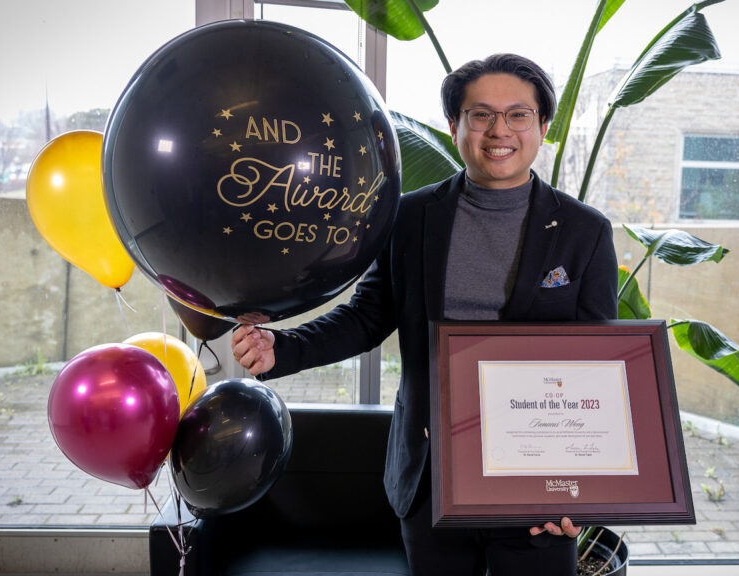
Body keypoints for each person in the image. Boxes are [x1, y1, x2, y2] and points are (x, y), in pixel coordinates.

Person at [232, 53, 619, 576]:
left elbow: (598, 366)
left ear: (543, 127)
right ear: (454, 126)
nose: (498, 130)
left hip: (536, 477)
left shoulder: (584, 232)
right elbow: (367, 317)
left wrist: (584, 491)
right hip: (432, 475)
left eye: (518, 115)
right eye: (480, 115)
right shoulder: (410, 215)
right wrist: (283, 347)